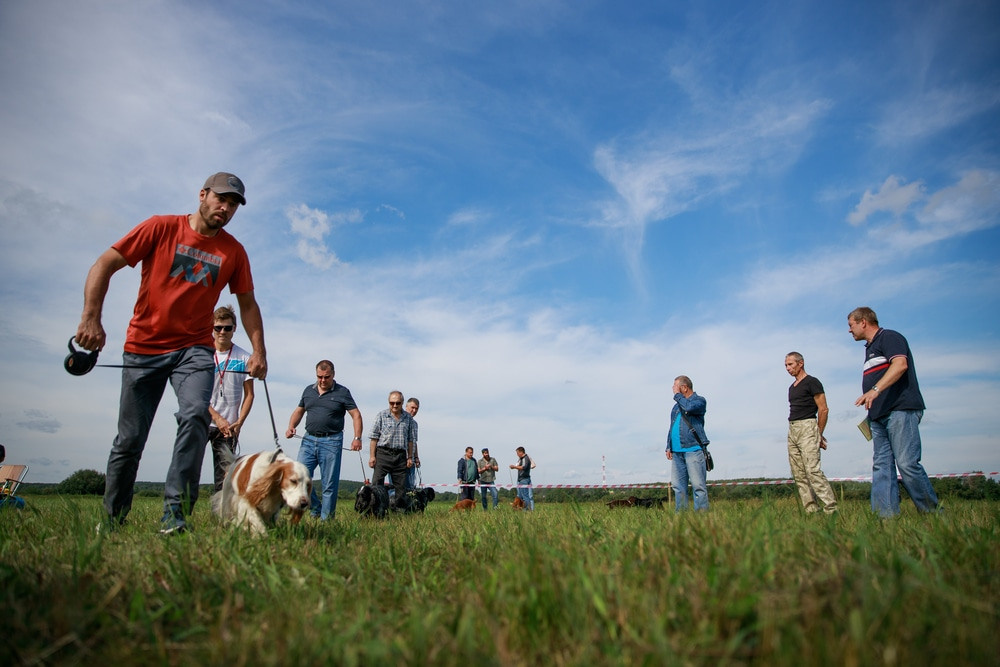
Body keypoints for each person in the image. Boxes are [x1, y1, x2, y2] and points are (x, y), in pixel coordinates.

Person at [76, 172, 267, 534]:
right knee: (130, 439)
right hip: (144, 346)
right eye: (220, 199)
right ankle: (112, 518)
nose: (225, 208)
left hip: (194, 350)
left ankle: (174, 516)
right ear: (203, 195)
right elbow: (104, 264)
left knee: (196, 416)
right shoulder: (160, 228)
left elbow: (247, 303)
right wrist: (91, 319)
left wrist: (258, 350)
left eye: (233, 205)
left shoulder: (233, 251)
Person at [848, 307, 940, 517]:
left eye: (850, 325)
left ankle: (933, 515)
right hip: (878, 416)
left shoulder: (889, 337)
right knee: (882, 467)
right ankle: (885, 519)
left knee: (907, 464)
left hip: (900, 410)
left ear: (863, 322)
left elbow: (900, 365)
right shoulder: (870, 348)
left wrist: (874, 390)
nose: (849, 330)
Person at [285, 360, 363, 520]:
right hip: (308, 440)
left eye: (326, 377)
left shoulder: (342, 392)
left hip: (332, 441)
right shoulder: (308, 390)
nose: (322, 380)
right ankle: (315, 509)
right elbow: (299, 410)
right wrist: (291, 426)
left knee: (329, 484)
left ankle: (327, 520)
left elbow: (356, 414)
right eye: (319, 377)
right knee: (300, 477)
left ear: (333, 375)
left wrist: (357, 438)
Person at [206, 305, 255, 492]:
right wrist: (216, 418)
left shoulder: (244, 357)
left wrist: (239, 422)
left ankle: (220, 518)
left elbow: (250, 394)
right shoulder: (203, 354)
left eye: (227, 327)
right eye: (218, 327)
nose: (222, 332)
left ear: (234, 328)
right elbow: (196, 394)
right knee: (188, 467)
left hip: (229, 425)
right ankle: (181, 515)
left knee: (224, 476)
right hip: (203, 418)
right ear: (212, 328)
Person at [784, 352, 837, 514]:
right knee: (799, 473)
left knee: (812, 470)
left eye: (790, 364)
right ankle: (812, 511)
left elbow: (824, 409)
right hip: (793, 428)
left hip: (808, 426)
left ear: (801, 363)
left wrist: (818, 434)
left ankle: (831, 510)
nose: (787, 368)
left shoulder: (812, 382)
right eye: (786, 365)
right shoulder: (791, 388)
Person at [665, 375, 709, 512]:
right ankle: (681, 519)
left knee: (698, 486)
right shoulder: (676, 407)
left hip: (693, 449)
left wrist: (678, 396)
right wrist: (668, 446)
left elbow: (689, 408)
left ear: (684, 388)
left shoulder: (699, 401)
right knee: (678, 487)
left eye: (675, 386)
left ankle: (702, 519)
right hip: (677, 452)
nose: (673, 389)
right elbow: (672, 426)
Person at [368, 391, 417, 503]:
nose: (394, 405)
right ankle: (375, 509)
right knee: (376, 485)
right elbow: (374, 437)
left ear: (402, 403)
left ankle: (398, 512)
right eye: (392, 403)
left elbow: (411, 440)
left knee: (400, 487)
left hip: (400, 455)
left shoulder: (408, 418)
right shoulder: (381, 415)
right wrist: (372, 456)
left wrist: (410, 457)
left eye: (397, 403)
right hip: (382, 454)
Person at [509, 446, 534, 510]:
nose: (517, 455)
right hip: (521, 480)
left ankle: (528, 510)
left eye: (517, 453)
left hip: (524, 479)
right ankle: (518, 507)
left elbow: (524, 467)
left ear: (521, 452)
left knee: (525, 496)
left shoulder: (525, 458)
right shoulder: (522, 459)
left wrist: (514, 467)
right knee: (520, 496)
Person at [404, 397, 421, 490]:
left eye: (416, 408)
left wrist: (417, 457)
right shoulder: (400, 420)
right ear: (406, 406)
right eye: (412, 407)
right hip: (400, 458)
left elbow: (414, 442)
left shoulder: (415, 424)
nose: (414, 410)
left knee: (410, 486)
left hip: (412, 461)